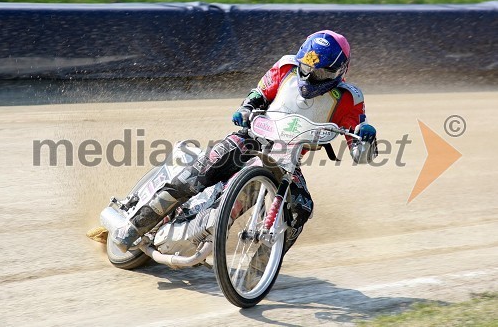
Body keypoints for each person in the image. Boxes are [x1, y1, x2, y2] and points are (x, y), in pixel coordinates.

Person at [113, 30, 377, 253]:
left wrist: (365, 138)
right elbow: (259, 93)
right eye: (307, 68)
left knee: (301, 208)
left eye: (319, 73)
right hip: (251, 137)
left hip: (287, 158)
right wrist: (247, 107)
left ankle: (262, 263)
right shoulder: (286, 66)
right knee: (200, 172)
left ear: (340, 70)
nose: (309, 77)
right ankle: (134, 226)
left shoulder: (349, 98)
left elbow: (359, 152)